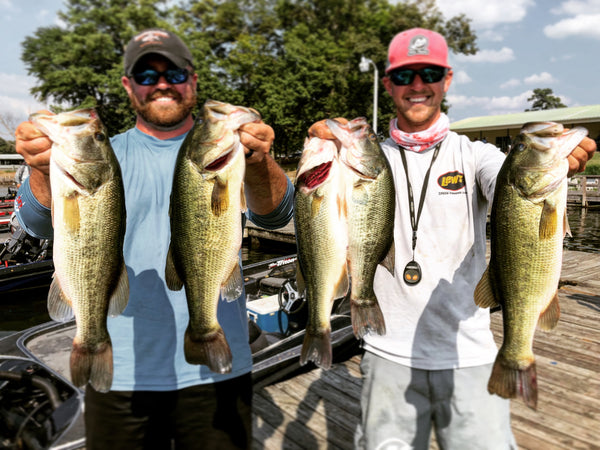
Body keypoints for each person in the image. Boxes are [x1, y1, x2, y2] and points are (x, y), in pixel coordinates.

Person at [311, 28, 595, 449]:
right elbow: (294, 210)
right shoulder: (363, 158)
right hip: (387, 352)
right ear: (388, 84)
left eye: (429, 73)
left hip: (470, 354)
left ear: (447, 79)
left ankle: (518, 353)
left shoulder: (477, 155)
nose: (418, 85)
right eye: (405, 76)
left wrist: (552, 167)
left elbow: (509, 187)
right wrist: (315, 155)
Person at [14, 28, 294, 449]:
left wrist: (258, 164)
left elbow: (277, 216)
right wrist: (39, 168)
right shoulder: (107, 154)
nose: (162, 83)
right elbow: (36, 225)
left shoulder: (234, 153)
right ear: (129, 87)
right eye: (146, 75)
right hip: (122, 371)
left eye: (174, 72)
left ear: (193, 80)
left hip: (218, 367)